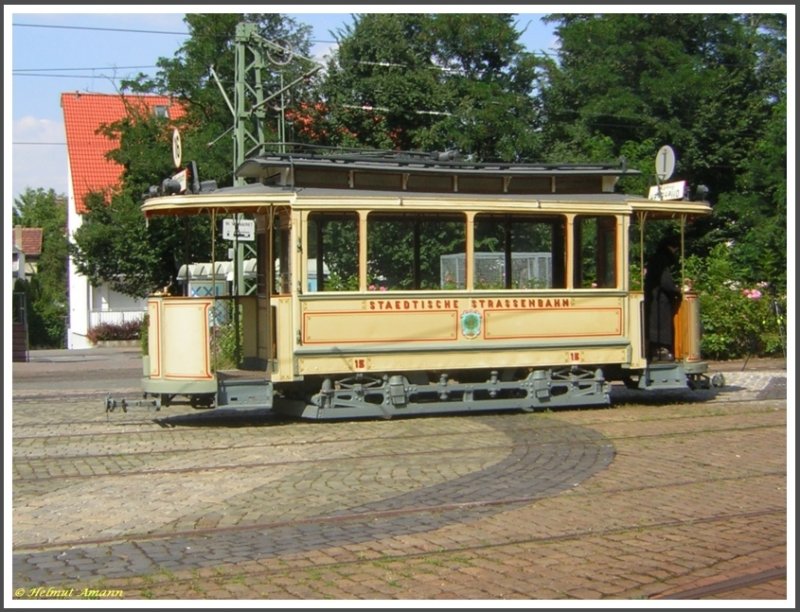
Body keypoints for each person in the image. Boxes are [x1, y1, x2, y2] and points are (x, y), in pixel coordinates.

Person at [644, 234, 682, 361]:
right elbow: (666, 283)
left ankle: (655, 350)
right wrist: (677, 290)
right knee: (661, 325)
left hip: (653, 297)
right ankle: (661, 352)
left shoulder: (655, 258)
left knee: (653, 325)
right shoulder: (662, 259)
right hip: (660, 300)